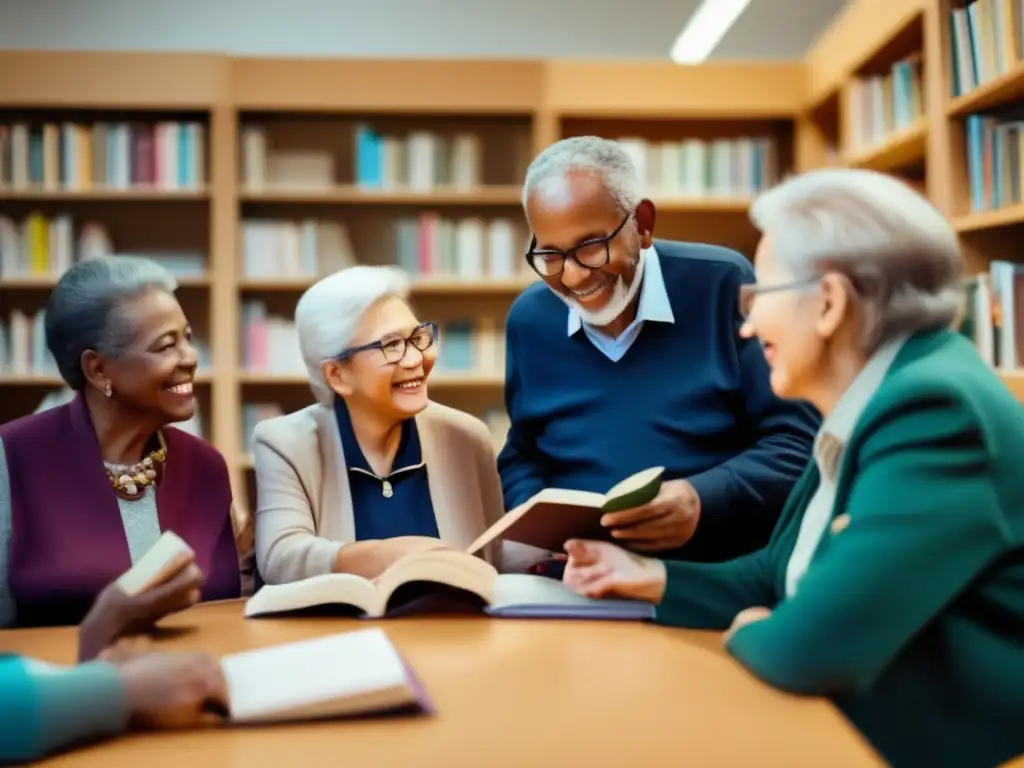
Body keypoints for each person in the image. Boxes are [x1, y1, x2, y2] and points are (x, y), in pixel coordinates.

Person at [561, 168, 1024, 768]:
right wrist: (650, 576)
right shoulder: (873, 397)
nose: (748, 327)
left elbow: (812, 648)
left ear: (829, 303)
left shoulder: (932, 409)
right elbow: (777, 573)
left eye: (762, 297)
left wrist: (752, 630)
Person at [500, 136, 820, 563]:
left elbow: (797, 444)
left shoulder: (725, 285)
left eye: (591, 246)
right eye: (550, 255)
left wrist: (700, 498)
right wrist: (542, 532)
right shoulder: (530, 320)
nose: (573, 277)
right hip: (575, 575)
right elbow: (523, 454)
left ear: (643, 224)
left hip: (714, 572)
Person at [0, 256, 249, 629]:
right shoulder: (13, 456)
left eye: (188, 339)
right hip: (64, 683)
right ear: (98, 370)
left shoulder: (206, 466)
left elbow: (228, 608)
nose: (191, 358)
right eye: (166, 346)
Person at [253, 265, 528, 585]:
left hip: (454, 630)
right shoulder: (285, 443)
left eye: (417, 337)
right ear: (337, 375)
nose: (415, 359)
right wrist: (403, 556)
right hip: (341, 633)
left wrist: (559, 547)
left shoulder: (466, 437)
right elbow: (281, 557)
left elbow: (492, 554)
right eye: (391, 345)